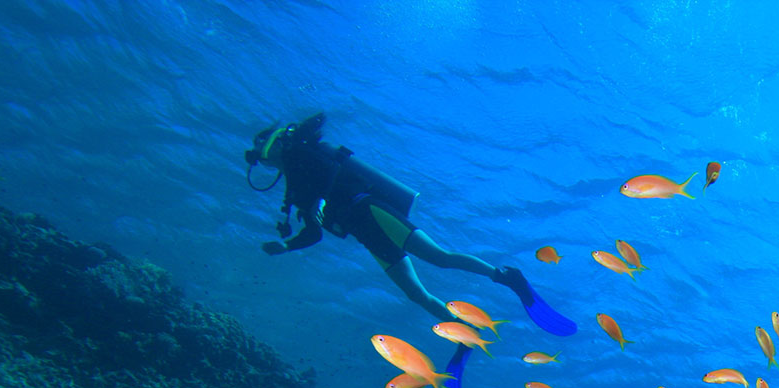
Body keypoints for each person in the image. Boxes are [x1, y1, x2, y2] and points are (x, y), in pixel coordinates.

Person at [245, 114, 573, 337]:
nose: (263, 161)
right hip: (367, 236)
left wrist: (319, 200)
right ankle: (463, 332)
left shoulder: (304, 157)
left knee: (440, 258)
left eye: (262, 152)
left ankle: (507, 277)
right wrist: (286, 246)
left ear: (274, 143)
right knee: (416, 294)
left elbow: (331, 171)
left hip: (373, 211)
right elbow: (314, 232)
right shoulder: (295, 189)